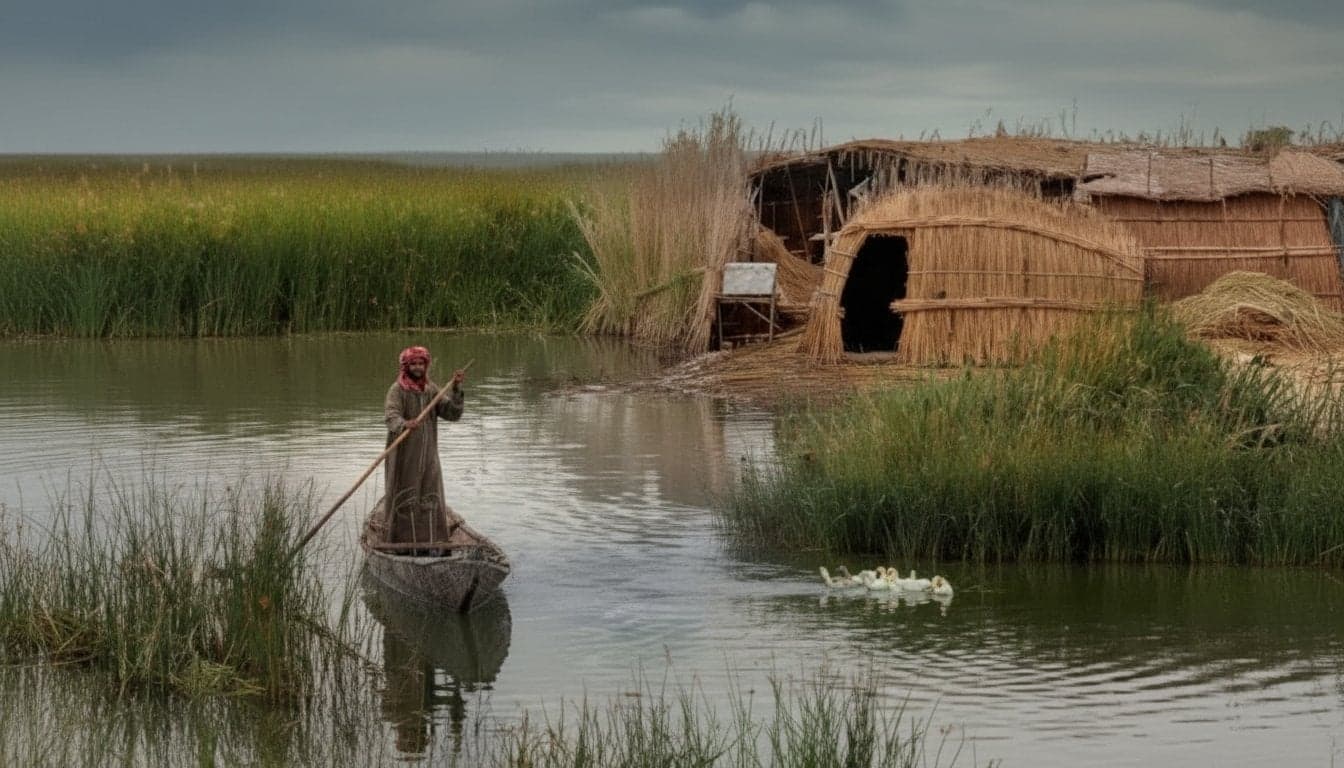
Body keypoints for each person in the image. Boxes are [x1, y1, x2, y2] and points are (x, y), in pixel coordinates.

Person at [383, 345, 465, 546]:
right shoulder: (397, 390)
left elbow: (452, 413)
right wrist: (404, 424)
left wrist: (455, 388)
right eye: (414, 364)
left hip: (428, 454)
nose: (418, 367)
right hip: (405, 455)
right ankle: (401, 543)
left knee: (430, 491)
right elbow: (391, 416)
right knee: (405, 492)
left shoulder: (431, 389)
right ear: (406, 366)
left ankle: (433, 541)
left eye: (421, 364)